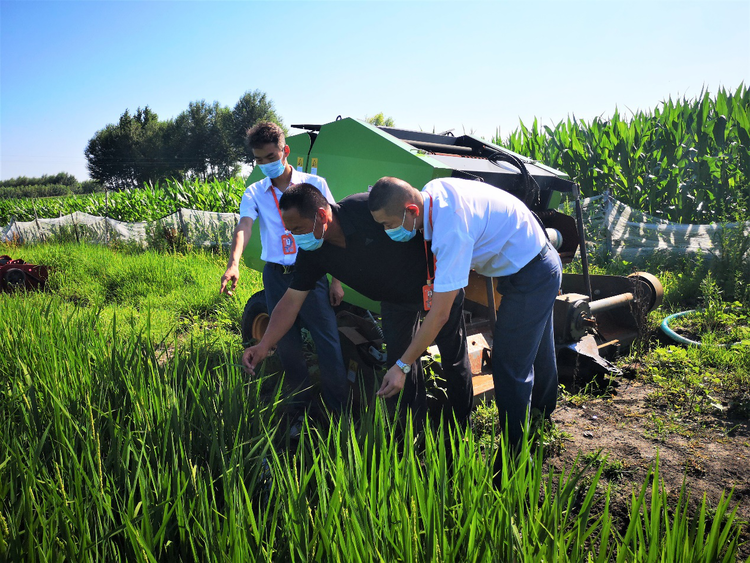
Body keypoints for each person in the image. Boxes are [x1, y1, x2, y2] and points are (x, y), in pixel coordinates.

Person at [242, 183, 473, 431]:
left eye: (298, 228)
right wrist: (264, 344)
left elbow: (422, 221)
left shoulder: (367, 210)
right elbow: (290, 301)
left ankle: (460, 426)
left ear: (322, 215)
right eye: (290, 230)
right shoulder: (313, 252)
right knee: (400, 365)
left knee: (453, 357)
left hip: (437, 286)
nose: (295, 236)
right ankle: (413, 433)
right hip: (396, 302)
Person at [368, 176, 562, 464]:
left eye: (388, 224)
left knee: (509, 363)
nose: (387, 231)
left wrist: (402, 365)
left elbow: (440, 315)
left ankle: (514, 456)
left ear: (411, 211)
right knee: (537, 348)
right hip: (534, 260)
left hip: (531, 274)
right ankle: (542, 415)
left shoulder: (451, 230)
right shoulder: (433, 191)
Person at [220, 121, 348, 422]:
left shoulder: (314, 185)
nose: (265, 164)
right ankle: (299, 409)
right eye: (259, 159)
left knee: (327, 341)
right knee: (287, 346)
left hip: (312, 272)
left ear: (285, 151)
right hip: (277, 274)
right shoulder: (255, 192)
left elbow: (334, 231)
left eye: (270, 157)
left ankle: (338, 411)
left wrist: (337, 280)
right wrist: (234, 262)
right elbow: (244, 226)